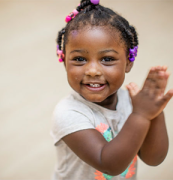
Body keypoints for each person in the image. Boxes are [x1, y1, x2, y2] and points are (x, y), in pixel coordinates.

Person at [51, 0, 173, 179]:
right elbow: (108, 164)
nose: (92, 71)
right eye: (79, 59)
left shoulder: (132, 103)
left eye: (107, 59)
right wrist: (141, 116)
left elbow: (154, 158)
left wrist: (154, 113)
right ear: (64, 61)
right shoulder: (68, 113)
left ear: (128, 62)